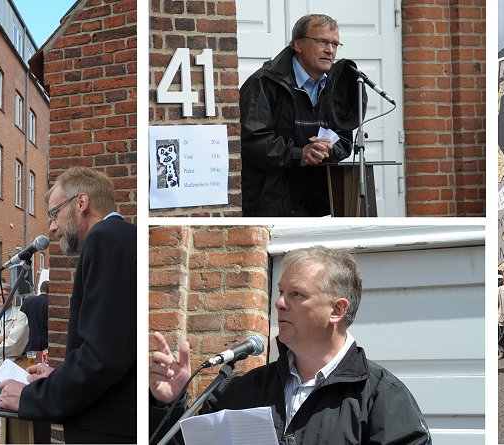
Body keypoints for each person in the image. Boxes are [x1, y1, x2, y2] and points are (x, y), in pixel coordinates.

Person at [149, 246, 431, 444]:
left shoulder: (381, 397)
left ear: (337, 310)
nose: (279, 303)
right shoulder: (241, 390)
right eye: (282, 291)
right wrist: (169, 404)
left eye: (297, 294)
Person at [0, 167, 135, 443]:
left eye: (54, 213)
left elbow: (101, 359)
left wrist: (32, 397)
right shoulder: (124, 237)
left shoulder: (104, 238)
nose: (51, 227)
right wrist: (59, 375)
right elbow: (114, 346)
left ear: (81, 204)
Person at [239, 14, 354, 216]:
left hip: (320, 205)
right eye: (322, 42)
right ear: (298, 44)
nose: (330, 50)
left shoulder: (337, 88)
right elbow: (251, 139)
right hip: (272, 203)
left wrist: (326, 150)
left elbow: (344, 138)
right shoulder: (264, 83)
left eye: (335, 44)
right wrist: (299, 154)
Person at [20, 281, 49, 352]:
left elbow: (21, 320)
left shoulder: (27, 301)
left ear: (40, 289)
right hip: (44, 343)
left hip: (28, 342)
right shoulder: (50, 303)